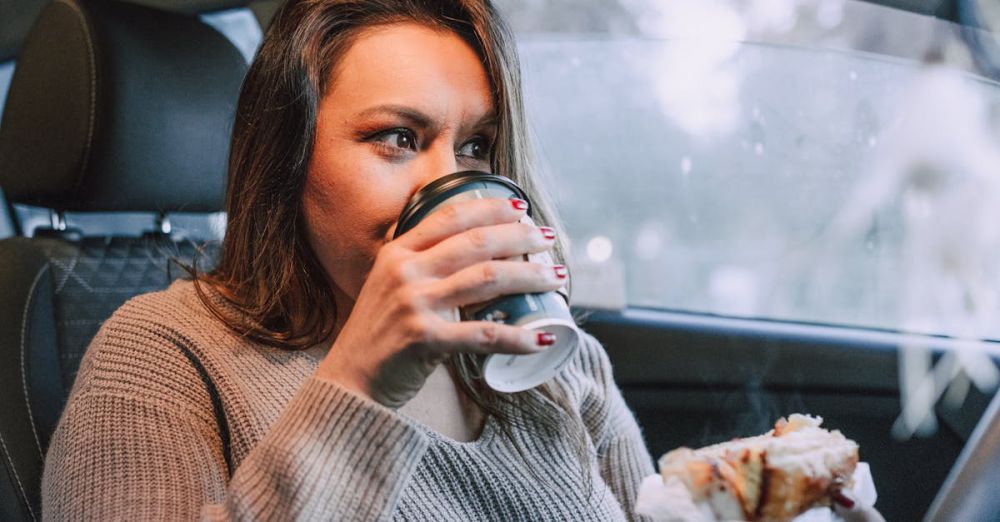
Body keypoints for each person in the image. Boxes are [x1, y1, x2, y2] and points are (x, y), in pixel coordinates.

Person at [41, 1, 885, 520]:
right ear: (290, 160)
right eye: (398, 139)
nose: (451, 184)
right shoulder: (160, 353)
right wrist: (362, 387)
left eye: (477, 146)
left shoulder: (557, 361)